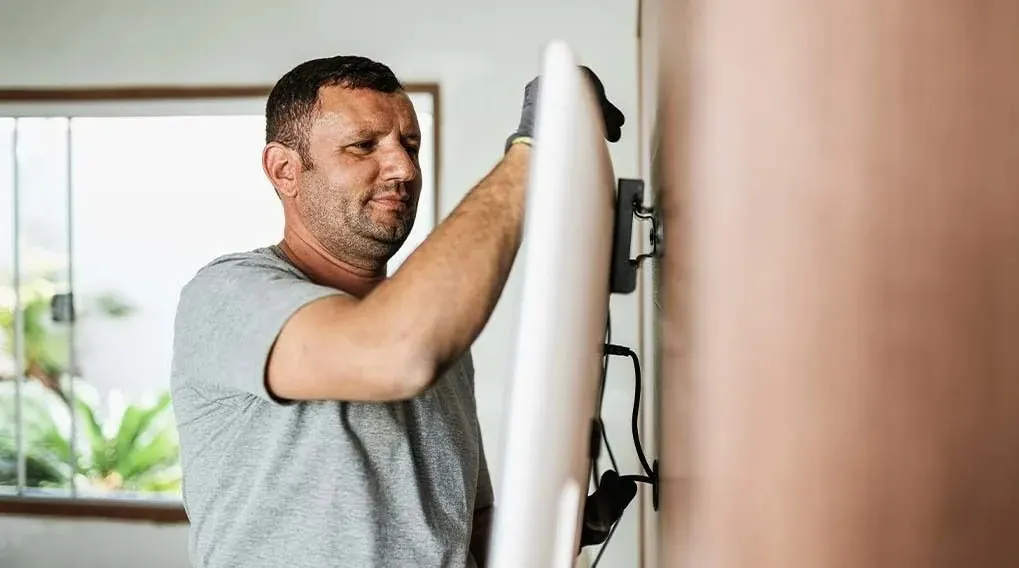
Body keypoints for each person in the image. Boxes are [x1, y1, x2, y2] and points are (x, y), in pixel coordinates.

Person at [170, 54, 628, 568]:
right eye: (363, 146)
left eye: (410, 145)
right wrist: (534, 151)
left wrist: (564, 528)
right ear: (284, 170)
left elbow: (465, 532)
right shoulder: (227, 294)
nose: (403, 169)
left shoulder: (436, 327)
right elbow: (394, 353)